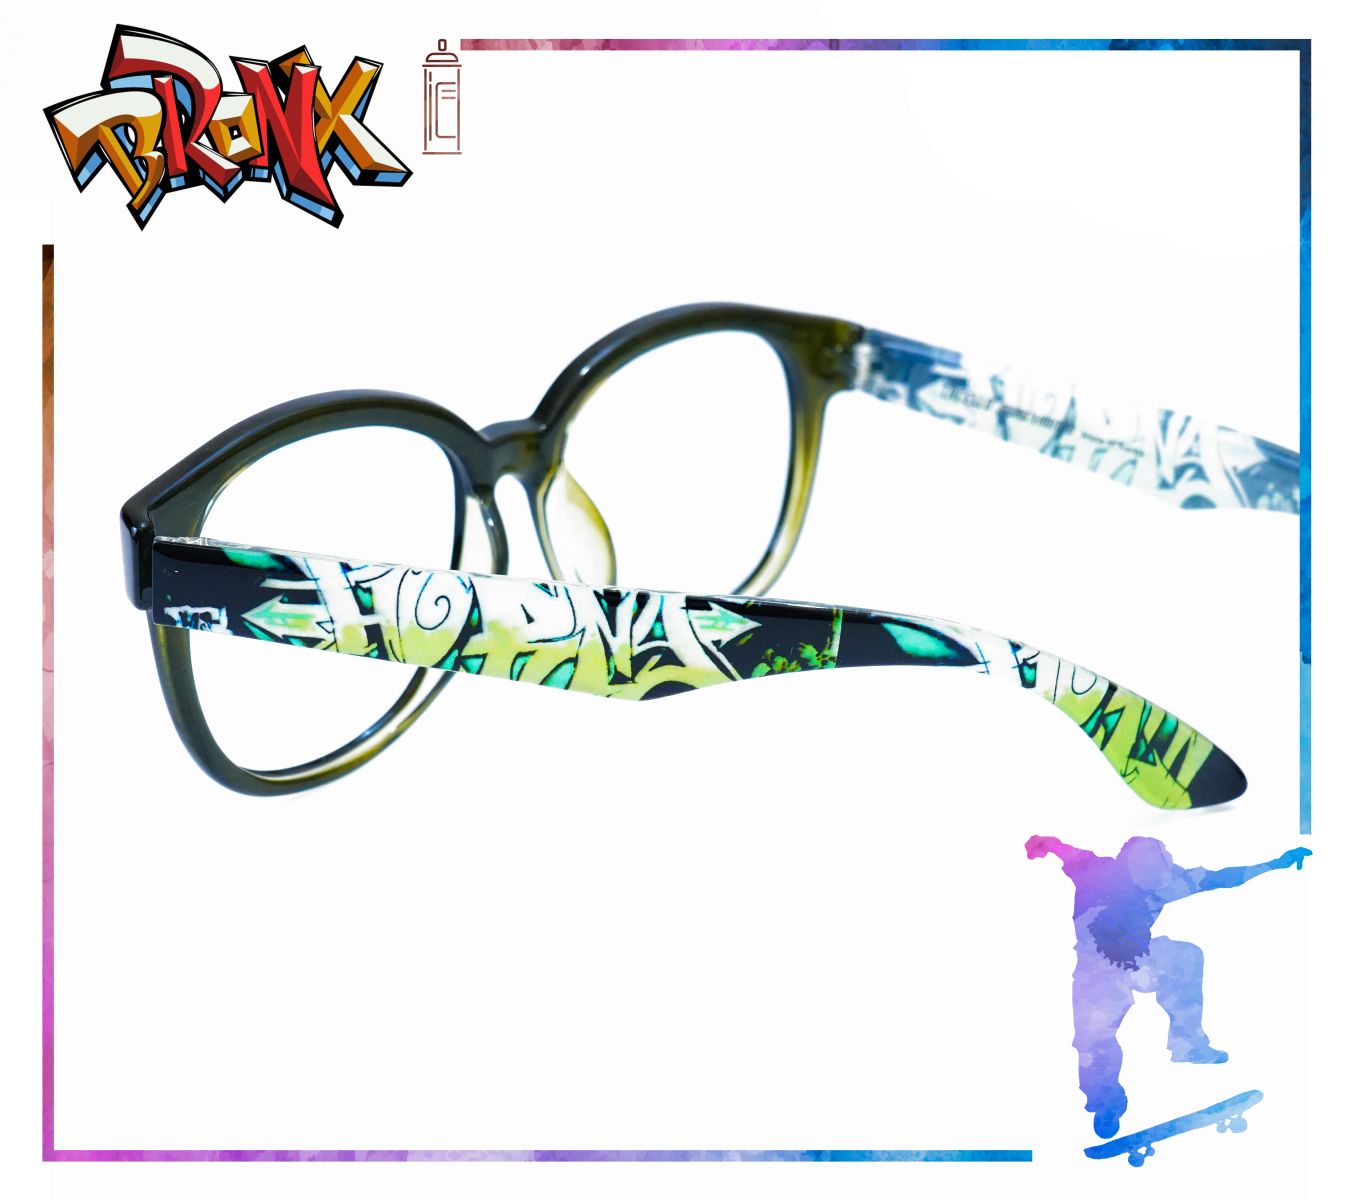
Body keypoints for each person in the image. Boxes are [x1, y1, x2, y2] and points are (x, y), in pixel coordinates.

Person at [1025, 834, 1309, 1139]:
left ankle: (1188, 1044)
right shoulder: (1095, 870)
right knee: (1093, 1038)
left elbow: (1223, 878)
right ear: (1129, 864)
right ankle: (1105, 1102)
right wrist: (1044, 843)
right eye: (1147, 872)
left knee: (1185, 956)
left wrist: (1275, 863)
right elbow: (1064, 850)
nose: (1155, 884)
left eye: (1158, 874)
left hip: (1141, 957)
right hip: (1098, 968)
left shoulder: (1170, 881)